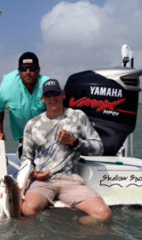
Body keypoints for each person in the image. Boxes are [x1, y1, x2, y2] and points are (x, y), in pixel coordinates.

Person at [21, 79, 112, 223]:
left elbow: (98, 148)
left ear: (63, 95)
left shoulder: (78, 116)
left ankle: (74, 231)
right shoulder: (32, 125)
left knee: (103, 214)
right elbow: (26, 159)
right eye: (48, 94)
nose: (52, 98)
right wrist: (32, 173)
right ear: (42, 98)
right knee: (27, 211)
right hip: (42, 181)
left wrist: (73, 142)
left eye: (56, 93)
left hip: (70, 180)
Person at [0, 52, 50, 158]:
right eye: (23, 69)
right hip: (24, 141)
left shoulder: (47, 85)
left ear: (38, 70)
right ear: (19, 71)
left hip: (46, 138)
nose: (27, 72)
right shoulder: (7, 87)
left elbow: (58, 110)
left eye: (32, 68)